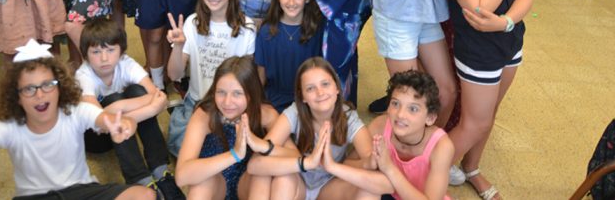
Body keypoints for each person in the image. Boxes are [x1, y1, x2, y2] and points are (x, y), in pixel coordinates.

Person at [0, 40, 154, 200]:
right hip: (34, 197)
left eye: (48, 85)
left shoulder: (75, 111)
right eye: (29, 89)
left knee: (144, 195)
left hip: (81, 190)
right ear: (16, 96)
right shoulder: (11, 125)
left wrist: (123, 124)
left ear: (60, 87)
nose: (40, 95)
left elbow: (104, 118)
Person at [441, 0, 532, 200]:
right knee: (474, 123)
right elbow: (477, 10)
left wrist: (505, 23)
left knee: (489, 114)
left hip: (510, 43)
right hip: (479, 52)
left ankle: (472, 168)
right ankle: (425, 176)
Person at [74, 18, 182, 196]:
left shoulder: (126, 63)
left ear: (121, 51)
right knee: (114, 99)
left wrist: (120, 109)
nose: (104, 58)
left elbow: (159, 97)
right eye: (96, 51)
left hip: (121, 125)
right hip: (96, 136)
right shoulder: (83, 75)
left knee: (136, 90)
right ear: (85, 54)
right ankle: (139, 178)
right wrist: (149, 109)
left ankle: (160, 170)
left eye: (110, 50)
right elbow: (99, 119)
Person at [247, 57, 374, 200]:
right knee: (283, 179)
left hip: (329, 184)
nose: (320, 92)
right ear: (302, 96)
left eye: (325, 84)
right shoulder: (295, 112)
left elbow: (370, 161)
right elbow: (255, 164)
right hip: (298, 179)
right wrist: (306, 163)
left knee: (369, 190)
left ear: (337, 87)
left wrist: (368, 161)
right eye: (310, 88)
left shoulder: (349, 117)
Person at [165, 0, 256, 156]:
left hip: (231, 105)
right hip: (199, 102)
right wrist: (178, 46)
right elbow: (174, 74)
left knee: (232, 152)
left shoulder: (246, 27)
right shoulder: (192, 23)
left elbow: (249, 79)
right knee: (183, 147)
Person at [325, 70, 454, 199]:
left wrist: (389, 168)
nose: (400, 114)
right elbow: (348, 163)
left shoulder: (441, 146)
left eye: (413, 109)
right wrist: (368, 163)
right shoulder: (380, 126)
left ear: (430, 118)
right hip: (387, 193)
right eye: (395, 104)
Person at [175, 56, 279, 199]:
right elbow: (181, 176)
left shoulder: (265, 114)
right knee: (201, 185)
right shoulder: (205, 114)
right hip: (216, 184)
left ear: (251, 93)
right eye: (221, 92)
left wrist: (262, 145)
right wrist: (234, 154)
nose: (227, 102)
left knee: (262, 174)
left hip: (247, 184)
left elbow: (292, 155)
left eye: (237, 93)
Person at [256, 0, 323, 112]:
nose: (291, 2)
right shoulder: (266, 31)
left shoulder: (317, 31)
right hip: (273, 100)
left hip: (307, 100)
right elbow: (261, 75)